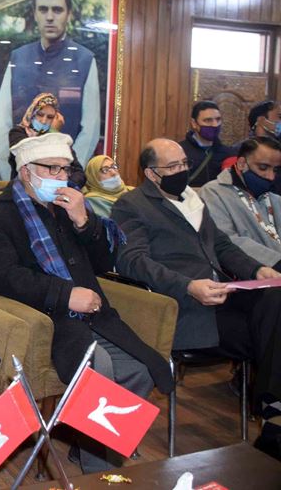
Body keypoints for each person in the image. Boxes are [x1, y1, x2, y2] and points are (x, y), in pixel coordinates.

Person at [0, 133, 172, 474]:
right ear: (26, 171)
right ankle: (100, 473)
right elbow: (5, 278)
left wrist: (84, 220)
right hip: (47, 319)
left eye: (65, 169)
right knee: (100, 367)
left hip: (95, 313)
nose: (61, 178)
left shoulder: (71, 205)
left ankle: (88, 445)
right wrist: (65, 294)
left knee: (142, 369)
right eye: (52, 169)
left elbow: (103, 262)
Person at [111, 138, 281, 448]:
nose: (182, 171)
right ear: (151, 173)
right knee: (271, 333)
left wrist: (257, 270)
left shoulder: (193, 199)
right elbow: (131, 261)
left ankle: (272, 411)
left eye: (184, 165)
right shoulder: (131, 205)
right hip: (185, 304)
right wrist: (187, 286)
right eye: (172, 167)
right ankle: (272, 417)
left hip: (223, 292)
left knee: (276, 299)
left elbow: (222, 246)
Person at [0, 0, 100, 177]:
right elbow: (3, 123)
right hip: (20, 173)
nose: (50, 17)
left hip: (64, 174)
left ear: (68, 14)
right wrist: (7, 172)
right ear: (35, 14)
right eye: (43, 9)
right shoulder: (18, 57)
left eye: (57, 9)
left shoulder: (84, 59)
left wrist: (70, 172)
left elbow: (90, 128)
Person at [198, 136, 281, 269]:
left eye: (275, 170)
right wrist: (275, 262)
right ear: (242, 163)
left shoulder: (275, 199)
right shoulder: (213, 192)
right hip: (249, 273)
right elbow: (225, 241)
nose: (271, 176)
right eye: (263, 167)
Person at [178, 101, 236, 187]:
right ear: (194, 123)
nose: (215, 125)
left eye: (218, 119)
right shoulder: (179, 151)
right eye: (208, 120)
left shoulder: (229, 153)